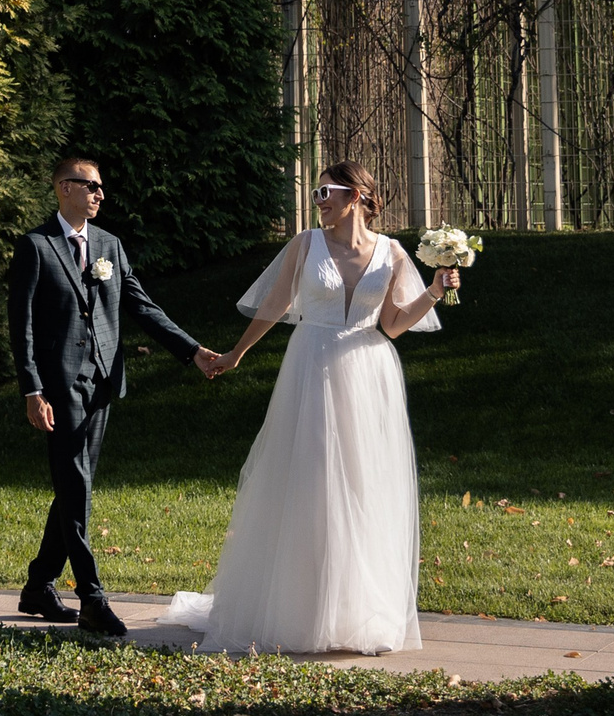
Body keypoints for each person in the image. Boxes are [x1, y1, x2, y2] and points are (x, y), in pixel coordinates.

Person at [166, 160, 462, 655]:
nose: (318, 201)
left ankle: (356, 613)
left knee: (362, 486)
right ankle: (300, 610)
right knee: (311, 479)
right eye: (317, 193)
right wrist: (236, 353)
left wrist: (434, 291)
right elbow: (275, 304)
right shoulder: (305, 245)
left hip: (369, 372)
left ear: (356, 197)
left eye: (326, 192)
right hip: (312, 367)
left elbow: (392, 324)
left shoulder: (391, 252)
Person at [8, 154, 223, 637]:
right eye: (91, 186)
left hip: (102, 381)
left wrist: (192, 351)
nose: (99, 194)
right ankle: (92, 598)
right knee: (76, 484)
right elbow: (21, 326)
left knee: (74, 486)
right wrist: (32, 389)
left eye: (100, 187)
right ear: (64, 188)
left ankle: (39, 586)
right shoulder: (36, 246)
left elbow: (142, 306)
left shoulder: (109, 245)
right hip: (58, 385)